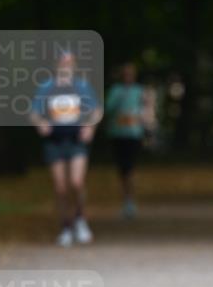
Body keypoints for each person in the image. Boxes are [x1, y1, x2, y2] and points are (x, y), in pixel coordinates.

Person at [31, 51, 101, 246]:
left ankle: (80, 219)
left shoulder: (81, 86)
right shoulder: (47, 87)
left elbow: (96, 110)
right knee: (60, 187)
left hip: (76, 140)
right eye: (62, 62)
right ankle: (65, 227)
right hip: (55, 141)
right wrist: (41, 124)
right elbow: (35, 112)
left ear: (74, 65)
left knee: (77, 182)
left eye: (69, 62)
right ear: (56, 65)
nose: (65, 65)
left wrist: (90, 127)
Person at [105, 62, 156, 218]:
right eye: (126, 74)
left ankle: (130, 200)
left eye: (131, 74)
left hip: (134, 134)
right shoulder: (116, 90)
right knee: (122, 169)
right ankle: (125, 199)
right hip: (118, 134)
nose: (128, 76)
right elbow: (108, 108)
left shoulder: (140, 91)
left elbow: (148, 111)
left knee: (130, 167)